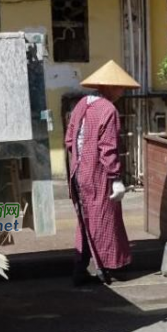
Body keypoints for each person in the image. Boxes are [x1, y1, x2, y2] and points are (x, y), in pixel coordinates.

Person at [64, 60, 139, 286]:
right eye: (121, 88)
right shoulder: (108, 110)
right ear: (110, 87)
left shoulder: (81, 104)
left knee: (84, 220)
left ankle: (80, 268)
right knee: (104, 221)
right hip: (97, 174)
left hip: (77, 172)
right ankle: (105, 269)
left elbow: (69, 140)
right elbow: (108, 148)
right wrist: (115, 177)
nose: (122, 92)